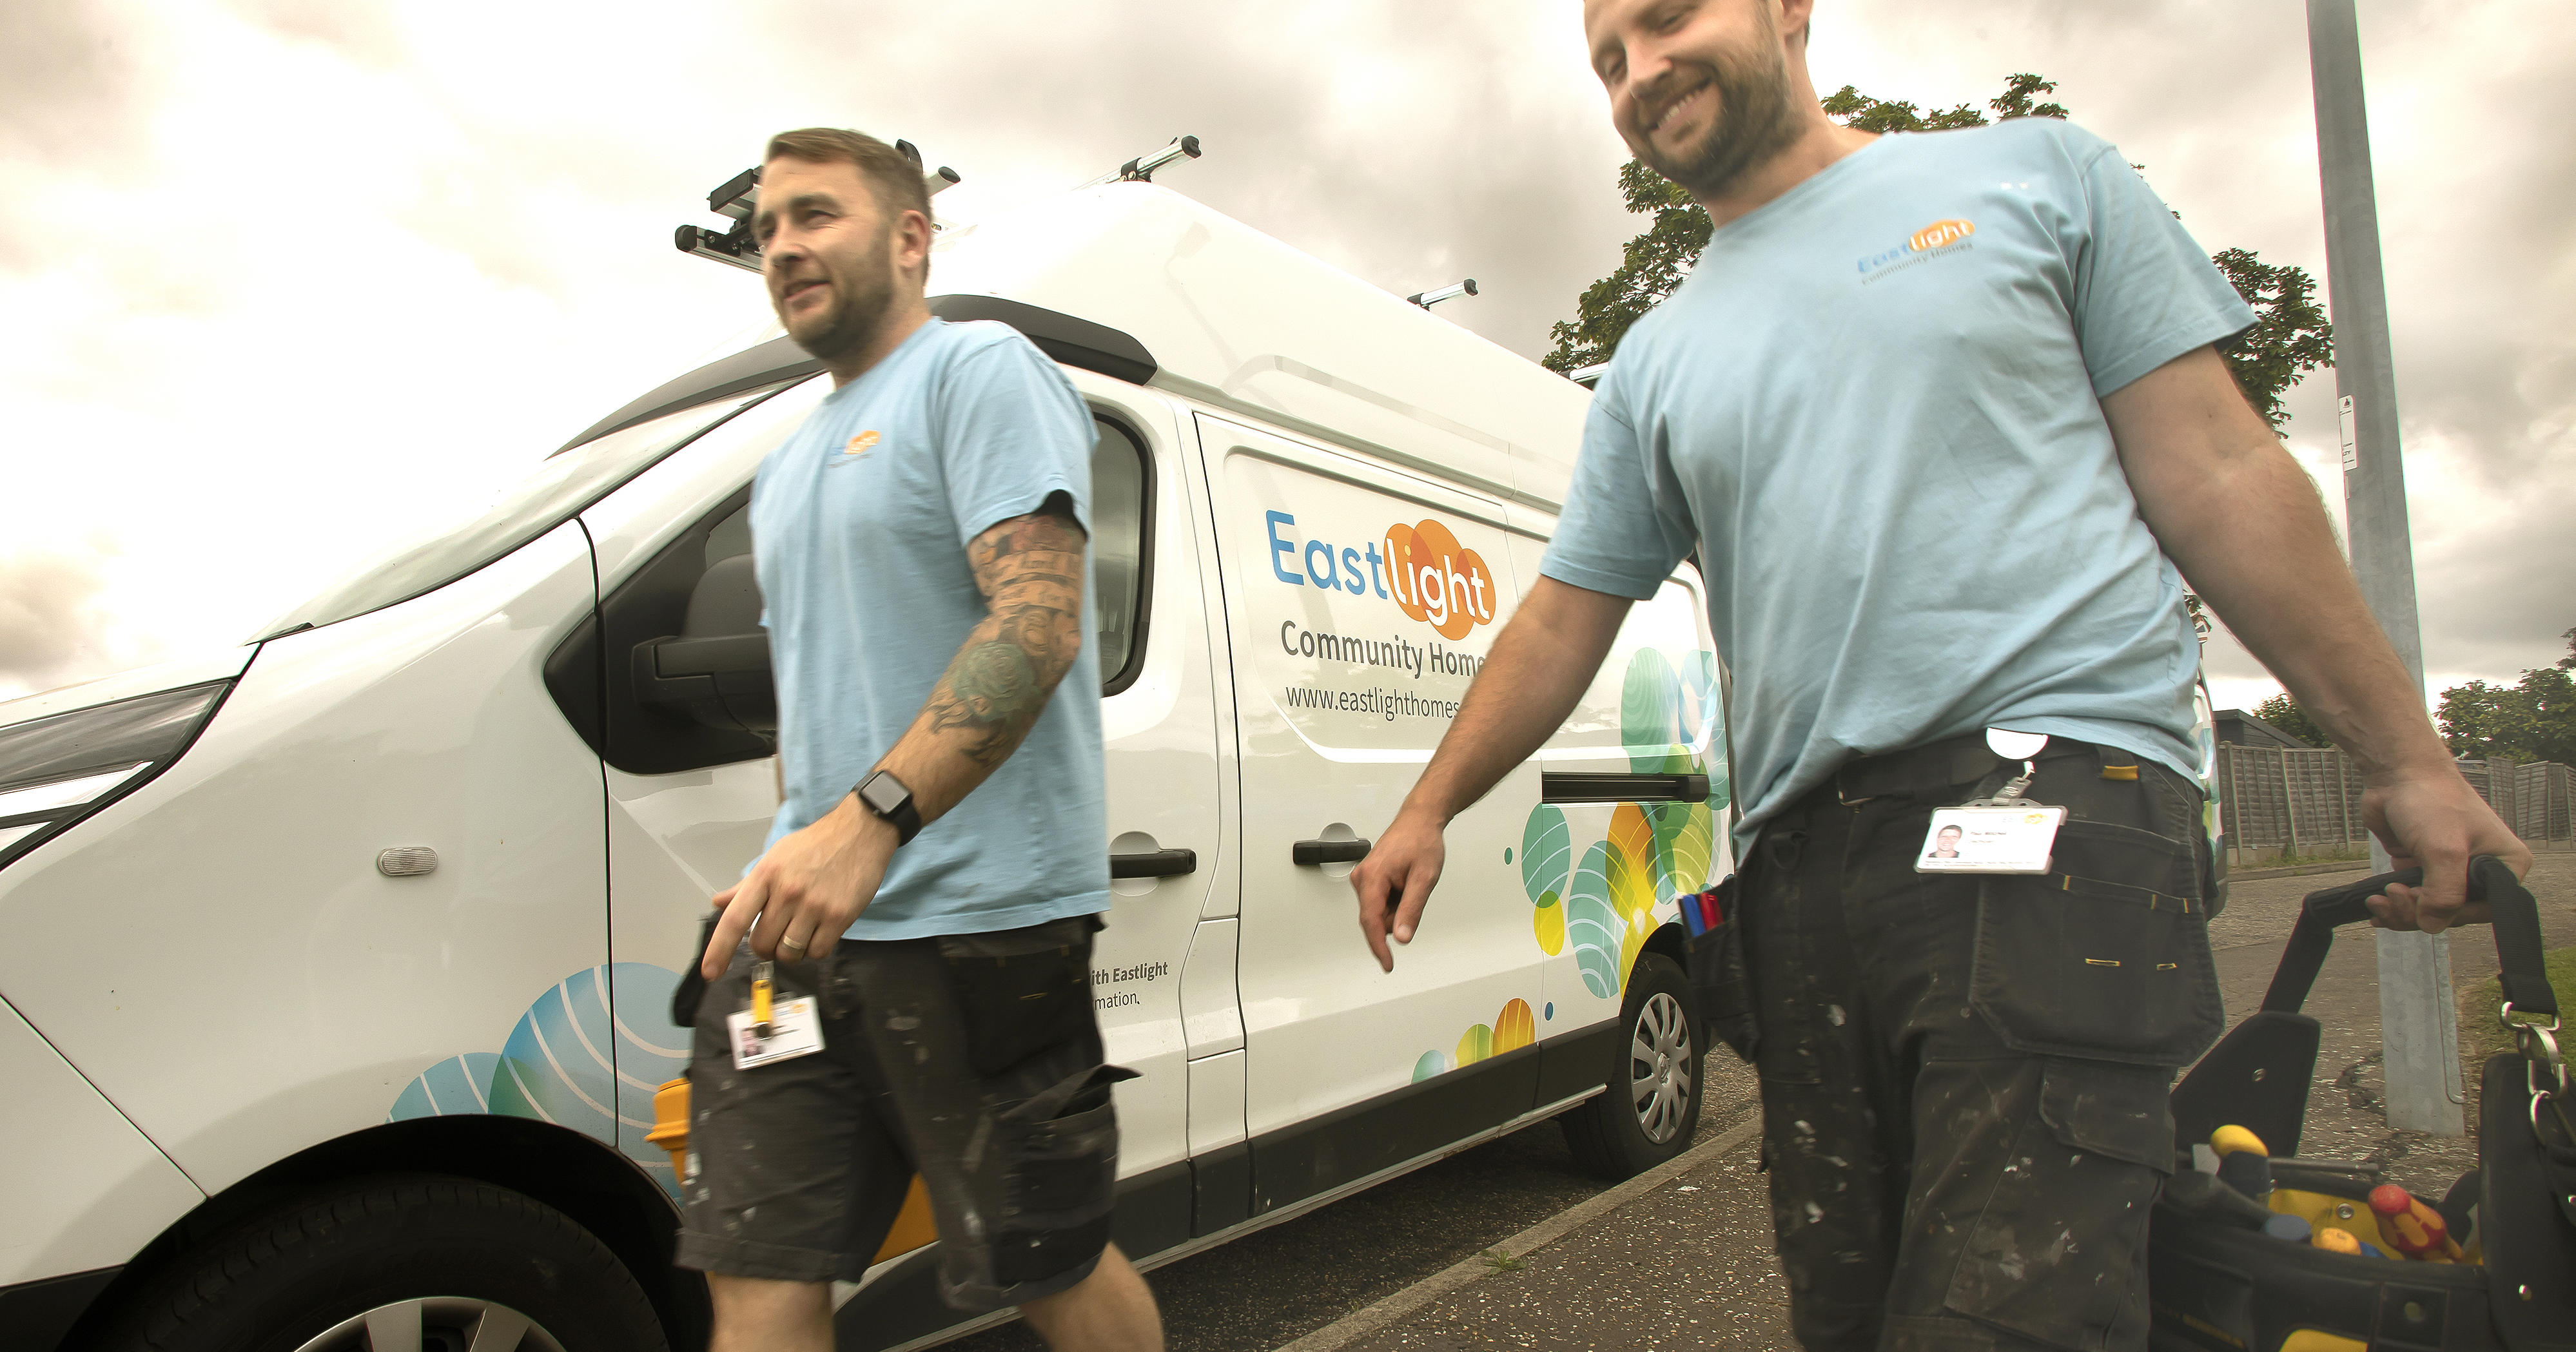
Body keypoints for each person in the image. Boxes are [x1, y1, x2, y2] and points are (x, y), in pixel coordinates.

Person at [1347, 3, 2530, 1350]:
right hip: (1806, 876)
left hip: (2054, 807)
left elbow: (2217, 468)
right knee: (1854, 1319)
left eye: (1667, 19)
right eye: (1607, 59)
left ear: (1790, 10)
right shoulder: (1656, 362)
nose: (1639, 74)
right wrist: (1429, 801)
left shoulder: (2033, 177)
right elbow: (1566, 610)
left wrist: (2406, 762)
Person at [678, 127, 1163, 1352]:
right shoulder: (786, 465)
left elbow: (1041, 621)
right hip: (796, 942)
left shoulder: (979, 372)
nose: (782, 244)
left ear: (909, 236)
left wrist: (868, 820)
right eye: (769, 225)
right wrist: (797, 840)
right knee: (755, 1266)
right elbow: (832, 696)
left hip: (976, 929)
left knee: (1038, 1257)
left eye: (815, 215)